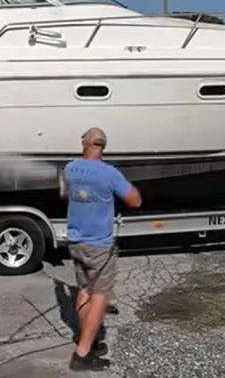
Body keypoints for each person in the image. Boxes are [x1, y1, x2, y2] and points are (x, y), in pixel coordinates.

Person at [60, 127, 142, 372]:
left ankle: (89, 340)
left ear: (84, 144)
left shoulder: (70, 168)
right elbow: (135, 200)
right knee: (99, 296)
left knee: (83, 290)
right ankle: (82, 354)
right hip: (99, 246)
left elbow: (64, 192)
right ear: (103, 147)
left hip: (76, 242)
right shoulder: (110, 174)